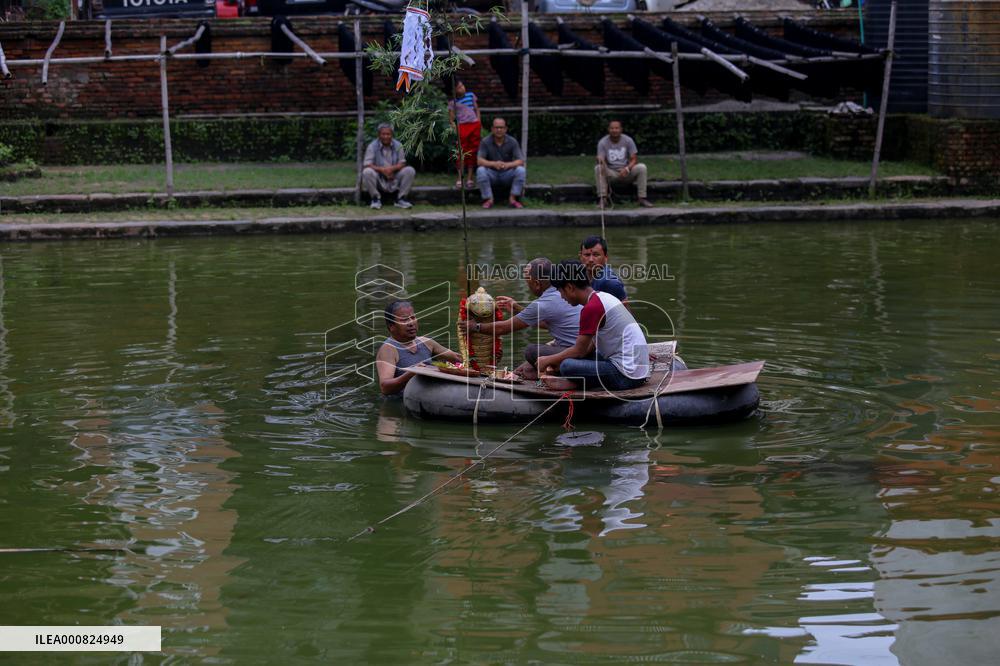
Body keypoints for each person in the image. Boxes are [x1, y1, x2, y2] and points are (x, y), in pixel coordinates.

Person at [537, 260, 650, 392]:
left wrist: (548, 360)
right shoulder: (603, 297)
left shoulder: (592, 308)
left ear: (569, 287)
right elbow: (587, 349)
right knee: (569, 360)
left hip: (628, 376)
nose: (562, 297)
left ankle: (576, 384)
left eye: (560, 291)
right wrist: (557, 360)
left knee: (567, 366)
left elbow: (579, 350)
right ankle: (576, 381)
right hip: (637, 370)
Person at [461, 258, 581, 380]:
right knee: (527, 368)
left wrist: (475, 327)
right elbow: (546, 324)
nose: (527, 286)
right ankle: (524, 373)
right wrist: (516, 308)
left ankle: (552, 373)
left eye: (527, 282)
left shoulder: (544, 303)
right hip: (578, 349)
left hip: (576, 353)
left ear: (537, 284)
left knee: (531, 351)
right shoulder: (562, 293)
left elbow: (504, 328)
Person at [376, 299, 462, 395]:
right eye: (404, 320)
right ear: (391, 326)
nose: (411, 323)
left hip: (431, 396)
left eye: (413, 317)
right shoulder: (388, 349)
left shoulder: (426, 342)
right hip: (404, 402)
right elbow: (385, 388)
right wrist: (413, 372)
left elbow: (457, 358)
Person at [595, 120, 652, 208]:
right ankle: (603, 199)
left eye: (617, 128)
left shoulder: (628, 140)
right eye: (612, 128)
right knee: (598, 168)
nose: (614, 130)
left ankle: (642, 198)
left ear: (621, 129)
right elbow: (600, 158)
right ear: (608, 130)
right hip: (611, 173)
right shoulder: (602, 142)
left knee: (642, 167)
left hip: (626, 172)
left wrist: (627, 168)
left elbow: (634, 159)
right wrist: (601, 161)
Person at [362, 123, 416, 210]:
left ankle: (401, 199)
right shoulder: (372, 146)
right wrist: (383, 170)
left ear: (392, 135)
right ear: (379, 135)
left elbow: (402, 163)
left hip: (394, 176)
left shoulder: (398, 145)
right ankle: (376, 199)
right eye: (383, 134)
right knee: (367, 171)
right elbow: (367, 164)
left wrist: (391, 169)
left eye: (388, 134)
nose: (386, 136)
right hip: (379, 178)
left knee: (410, 170)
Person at [476, 117, 526, 210]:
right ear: (492, 129)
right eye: (496, 127)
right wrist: (494, 164)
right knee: (480, 170)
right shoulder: (485, 141)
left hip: (507, 173)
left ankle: (513, 199)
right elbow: (479, 161)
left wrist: (508, 165)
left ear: (505, 129)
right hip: (492, 173)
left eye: (501, 127)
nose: (499, 130)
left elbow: (520, 160)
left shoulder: (512, 141)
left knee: (521, 170)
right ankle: (489, 200)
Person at [448, 79, 481, 190]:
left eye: (462, 85)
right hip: (462, 127)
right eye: (459, 87)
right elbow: (451, 119)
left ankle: (470, 178)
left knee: (472, 152)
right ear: (454, 91)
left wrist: (478, 122)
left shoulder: (471, 96)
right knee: (461, 153)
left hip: (474, 126)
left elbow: (477, 109)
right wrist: (456, 129)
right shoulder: (453, 103)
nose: (462, 88)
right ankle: (460, 178)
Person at [579, 235, 628, 304]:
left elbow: (624, 312)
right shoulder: (577, 275)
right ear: (580, 256)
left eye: (596, 255)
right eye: (587, 255)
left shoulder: (611, 283)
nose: (591, 260)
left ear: (605, 257)